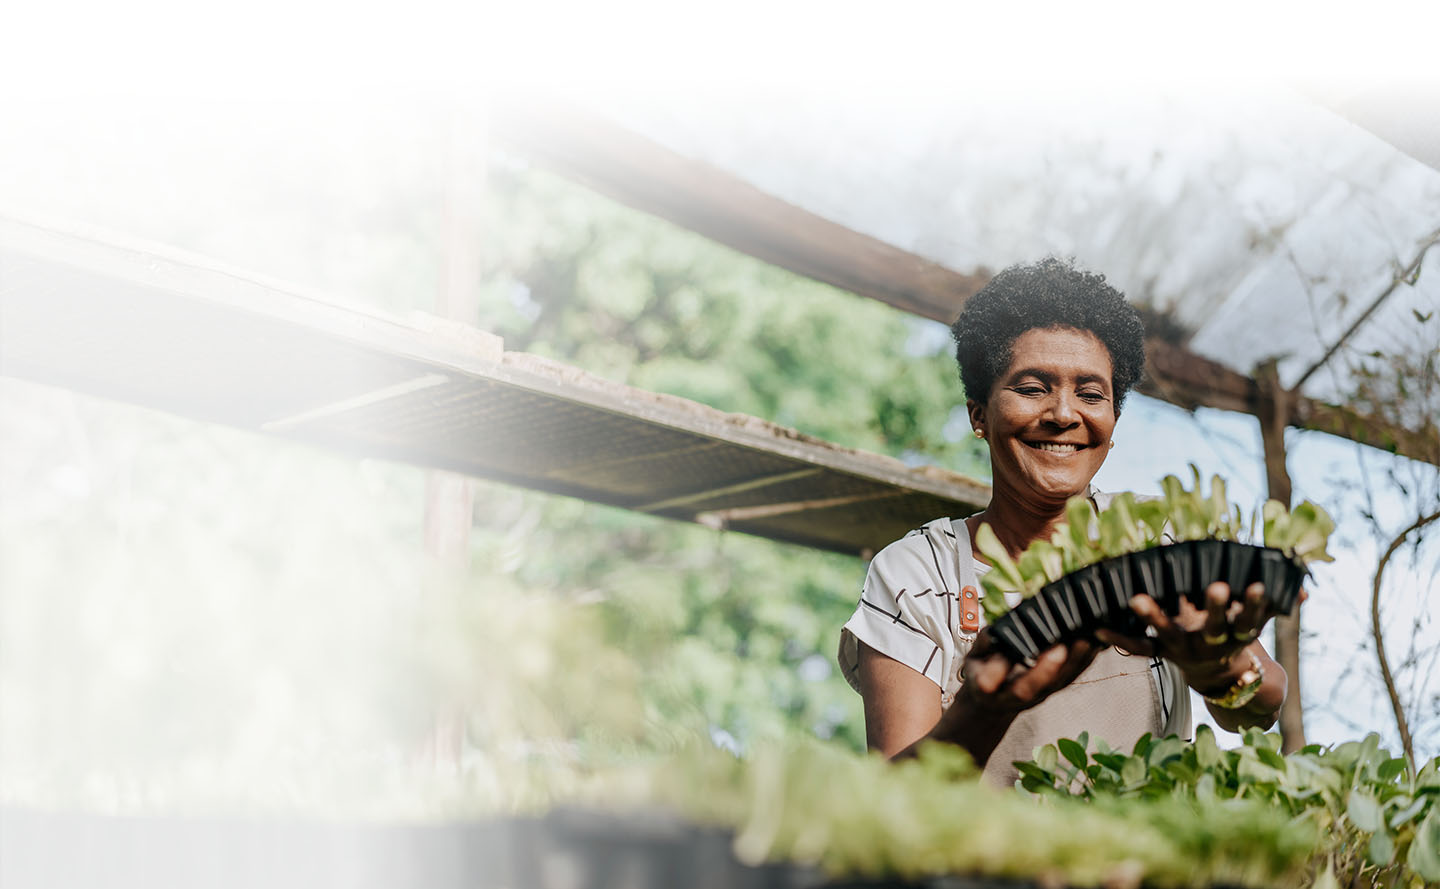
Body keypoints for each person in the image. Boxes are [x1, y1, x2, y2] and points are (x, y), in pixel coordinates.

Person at [837, 258, 1290, 787]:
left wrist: (1220, 668)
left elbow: (1260, 710)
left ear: (1112, 424)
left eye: (1091, 395)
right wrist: (985, 707)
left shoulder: (1160, 537)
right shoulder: (918, 574)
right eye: (1032, 388)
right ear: (979, 414)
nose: (1063, 414)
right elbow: (897, 800)